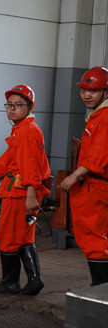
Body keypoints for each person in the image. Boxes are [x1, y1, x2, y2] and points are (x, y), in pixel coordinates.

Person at [0, 85, 50, 295]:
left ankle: (10, 283)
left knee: (8, 236)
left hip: (21, 194)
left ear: (29, 107)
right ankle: (34, 280)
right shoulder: (23, 129)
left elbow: (30, 165)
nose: (12, 109)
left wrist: (30, 195)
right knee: (24, 237)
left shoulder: (27, 131)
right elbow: (10, 158)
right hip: (25, 192)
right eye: (9, 105)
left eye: (18, 105)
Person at [60, 66, 108, 286]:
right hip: (95, 185)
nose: (87, 95)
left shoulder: (104, 117)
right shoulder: (96, 116)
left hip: (97, 186)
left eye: (94, 91)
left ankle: (100, 291)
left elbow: (99, 154)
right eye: (84, 90)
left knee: (93, 239)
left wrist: (74, 176)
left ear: (105, 92)